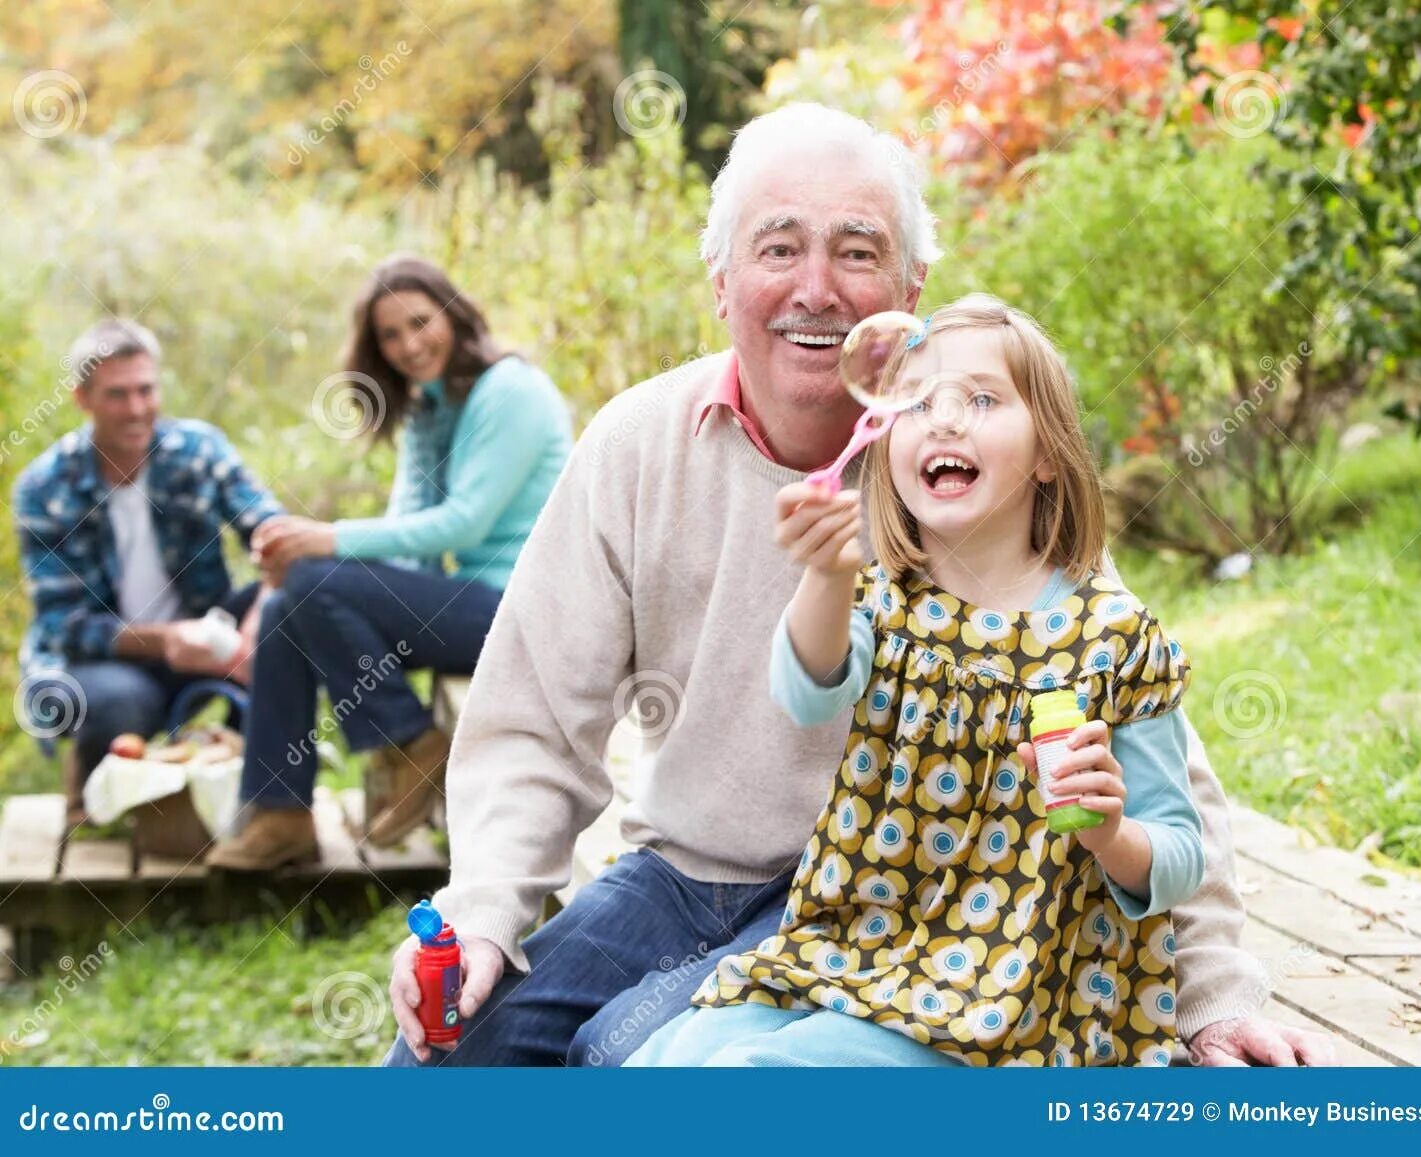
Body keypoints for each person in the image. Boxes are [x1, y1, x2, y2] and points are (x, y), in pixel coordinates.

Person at [384, 103, 1333, 1068]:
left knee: (629, 1058)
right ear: (721, 280)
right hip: (680, 874)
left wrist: (1213, 993)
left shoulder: (967, 472)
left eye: (857, 251)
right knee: (445, 1062)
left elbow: (1142, 735)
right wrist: (488, 911)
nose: (816, 288)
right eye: (779, 247)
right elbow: (532, 719)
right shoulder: (636, 444)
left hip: (889, 898)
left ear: (910, 290)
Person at [628, 294, 1201, 1066]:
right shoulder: (884, 598)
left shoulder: (1113, 638)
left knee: (747, 1076)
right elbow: (806, 693)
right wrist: (828, 576)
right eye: (918, 401)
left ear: (1047, 454)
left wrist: (1109, 835)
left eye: (983, 399)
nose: (944, 420)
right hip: (856, 954)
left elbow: (1180, 852)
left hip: (1012, 1004)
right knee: (663, 1058)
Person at [205, 255, 573, 870]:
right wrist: (329, 586)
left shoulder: (510, 391)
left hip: (531, 611)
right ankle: (281, 814)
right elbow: (409, 539)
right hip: (473, 601)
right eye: (390, 335)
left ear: (454, 316)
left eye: (420, 323)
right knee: (287, 603)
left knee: (308, 580)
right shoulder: (432, 408)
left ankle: (408, 740)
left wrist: (324, 541)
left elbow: (464, 524)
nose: (408, 345)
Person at [14, 318, 277, 824]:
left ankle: (266, 795)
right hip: (105, 659)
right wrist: (169, 641)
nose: (137, 410)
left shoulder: (198, 451)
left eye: (145, 390)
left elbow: (275, 535)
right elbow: (63, 625)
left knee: (291, 612)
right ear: (82, 399)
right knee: (120, 702)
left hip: (206, 631)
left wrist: (255, 624)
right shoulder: (45, 487)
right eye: (117, 395)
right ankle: (92, 796)